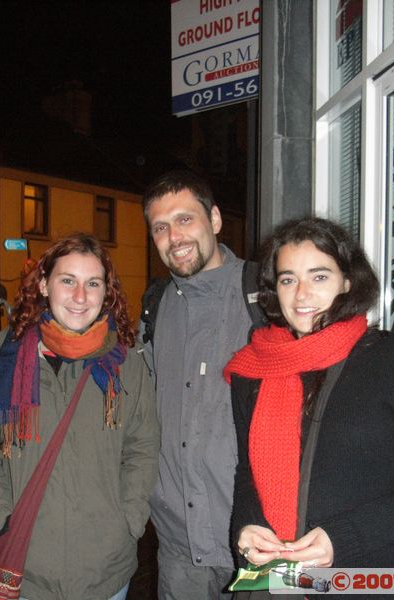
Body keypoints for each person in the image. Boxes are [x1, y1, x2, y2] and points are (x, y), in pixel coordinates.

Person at [224, 217, 394, 597]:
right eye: (288, 279)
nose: (301, 294)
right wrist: (248, 526)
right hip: (273, 583)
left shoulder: (391, 359)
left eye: (319, 277)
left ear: (347, 282)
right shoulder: (251, 371)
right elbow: (247, 473)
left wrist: (343, 538)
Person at [0, 234, 160, 600]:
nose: (81, 296)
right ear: (45, 284)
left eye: (93, 283)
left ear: (106, 292)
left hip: (105, 572)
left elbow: (142, 446)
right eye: (68, 280)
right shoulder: (0, 356)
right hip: (25, 570)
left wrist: (128, 520)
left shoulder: (127, 364)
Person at [141, 170, 262, 599]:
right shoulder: (154, 310)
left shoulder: (265, 295)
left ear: (214, 219)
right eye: (160, 227)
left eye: (185, 219)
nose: (174, 236)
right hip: (178, 547)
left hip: (256, 546)